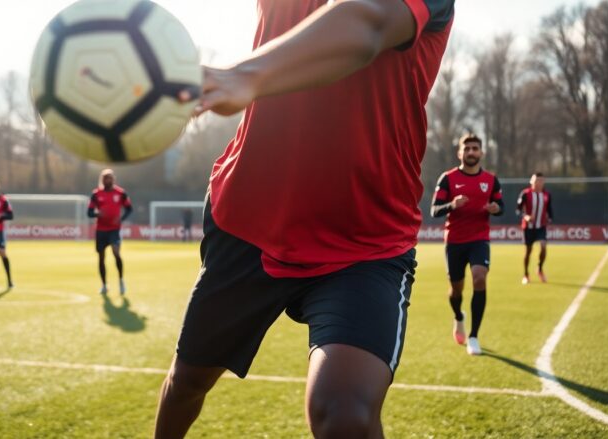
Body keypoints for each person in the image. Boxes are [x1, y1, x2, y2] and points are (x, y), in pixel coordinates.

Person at [156, 0, 455, 437]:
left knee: (345, 412)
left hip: (363, 239)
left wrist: (244, 75)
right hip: (251, 220)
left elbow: (366, 22)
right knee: (187, 382)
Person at [431, 134, 504, 356]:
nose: (471, 152)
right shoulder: (447, 178)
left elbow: (501, 206)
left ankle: (473, 336)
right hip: (454, 241)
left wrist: (496, 209)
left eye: (475, 148)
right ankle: (459, 316)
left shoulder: (491, 180)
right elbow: (434, 210)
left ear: (481, 153)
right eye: (467, 148)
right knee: (456, 290)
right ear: (459, 153)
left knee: (480, 277)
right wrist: (452, 204)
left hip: (479, 239)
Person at [87, 169, 133, 296]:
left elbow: (129, 208)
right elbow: (89, 212)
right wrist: (98, 213)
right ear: (102, 180)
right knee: (101, 258)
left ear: (114, 179)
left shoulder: (121, 193)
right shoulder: (96, 194)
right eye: (106, 178)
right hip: (101, 230)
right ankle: (104, 285)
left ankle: (121, 280)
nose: (108, 180)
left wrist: (121, 218)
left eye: (110, 178)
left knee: (116, 253)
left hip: (114, 229)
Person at [516, 172, 553, 284]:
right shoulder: (525, 194)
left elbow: (549, 209)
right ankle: (526, 274)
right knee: (528, 251)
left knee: (543, 246)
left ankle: (540, 269)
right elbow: (518, 210)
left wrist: (550, 218)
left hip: (541, 227)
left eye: (541, 181)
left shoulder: (547, 195)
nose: (539, 183)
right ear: (531, 181)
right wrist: (526, 216)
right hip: (528, 227)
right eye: (537, 180)